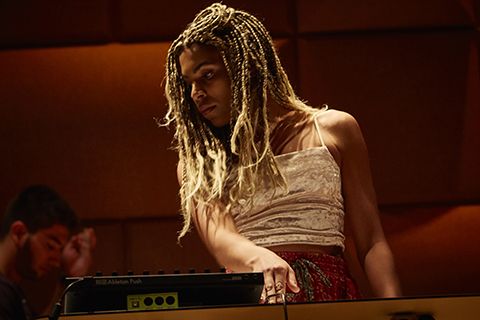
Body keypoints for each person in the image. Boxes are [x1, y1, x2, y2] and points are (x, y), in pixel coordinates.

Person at [162, 3, 401, 304]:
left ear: (245, 66)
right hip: (253, 298)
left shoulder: (335, 129)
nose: (196, 93)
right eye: (188, 84)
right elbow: (221, 239)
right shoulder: (199, 161)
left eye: (207, 75)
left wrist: (396, 308)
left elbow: (371, 241)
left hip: (329, 297)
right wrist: (257, 258)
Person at [0, 185, 96, 320]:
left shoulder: (10, 288)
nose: (57, 261)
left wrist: (68, 276)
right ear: (19, 233)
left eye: (59, 249)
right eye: (50, 246)